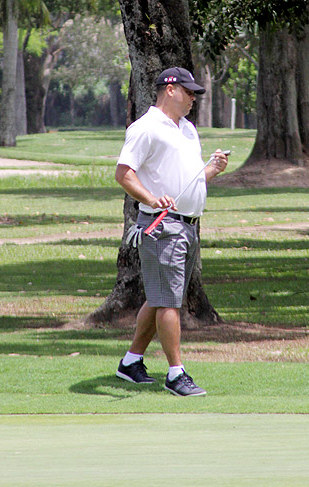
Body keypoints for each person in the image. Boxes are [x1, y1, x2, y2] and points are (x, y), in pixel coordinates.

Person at [115, 66, 228, 396]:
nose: (193, 98)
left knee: (161, 295)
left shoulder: (188, 130)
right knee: (168, 302)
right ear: (169, 89)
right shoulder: (146, 128)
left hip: (188, 225)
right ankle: (176, 374)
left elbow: (187, 181)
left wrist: (212, 170)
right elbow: (124, 174)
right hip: (162, 226)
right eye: (189, 91)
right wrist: (151, 198)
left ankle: (130, 362)